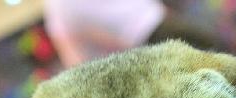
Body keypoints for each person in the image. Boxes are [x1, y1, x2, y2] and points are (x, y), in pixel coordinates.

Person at [43, 0, 222, 68]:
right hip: (144, 36)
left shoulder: (56, 9)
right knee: (214, 55)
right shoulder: (58, 7)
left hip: (148, 31)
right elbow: (72, 53)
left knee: (213, 55)